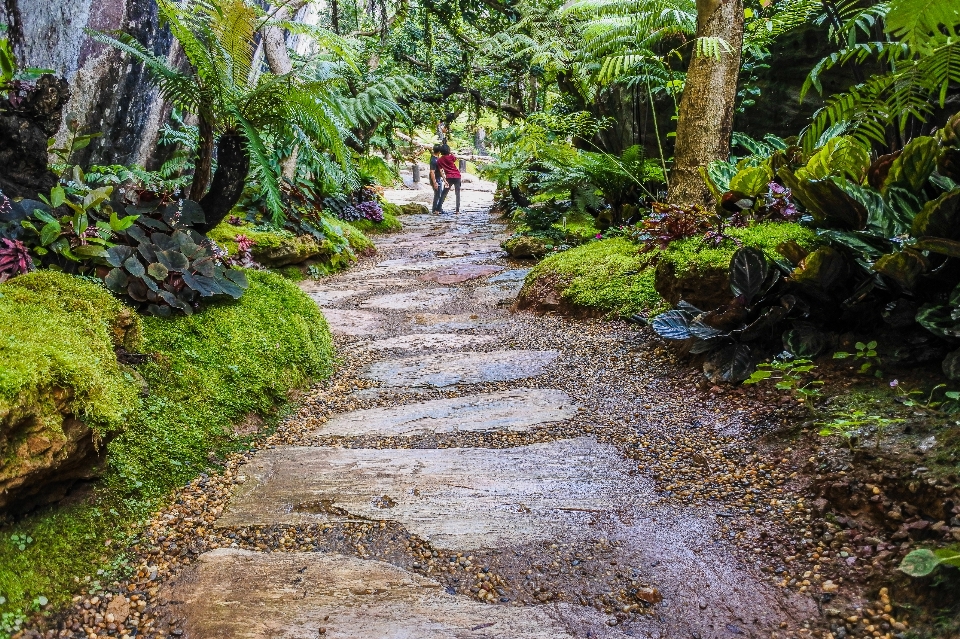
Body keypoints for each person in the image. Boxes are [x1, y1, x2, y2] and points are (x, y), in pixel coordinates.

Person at [436, 144, 461, 215]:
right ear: (448, 150)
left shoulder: (439, 160)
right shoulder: (451, 157)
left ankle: (438, 210)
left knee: (444, 193)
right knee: (457, 193)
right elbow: (455, 158)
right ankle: (457, 211)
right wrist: (451, 153)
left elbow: (441, 170)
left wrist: (445, 180)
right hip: (457, 176)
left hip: (449, 177)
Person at [429, 144, 444, 214]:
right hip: (436, 179)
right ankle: (435, 209)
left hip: (438, 178)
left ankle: (439, 209)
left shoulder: (436, 157)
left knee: (439, 194)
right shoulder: (433, 160)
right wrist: (434, 182)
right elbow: (432, 172)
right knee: (437, 194)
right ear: (439, 151)